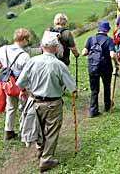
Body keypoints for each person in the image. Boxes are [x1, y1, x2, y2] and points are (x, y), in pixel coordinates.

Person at [17, 32, 77, 173]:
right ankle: (46, 159)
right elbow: (72, 88)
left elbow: (20, 83)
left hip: (35, 101)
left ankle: (40, 150)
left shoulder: (32, 61)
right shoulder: (59, 65)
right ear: (56, 47)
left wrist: (25, 90)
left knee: (38, 127)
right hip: (53, 103)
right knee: (51, 131)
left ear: (41, 46)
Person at [0, 28, 31, 140]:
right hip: (20, 85)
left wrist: (0, 66)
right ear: (24, 39)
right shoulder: (24, 55)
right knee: (26, 107)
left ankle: (8, 131)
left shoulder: (4, 49)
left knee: (11, 107)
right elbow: (26, 74)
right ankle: (26, 130)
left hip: (7, 83)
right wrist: (24, 90)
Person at [82, 21, 119, 117]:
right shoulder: (109, 40)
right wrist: (116, 64)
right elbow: (112, 55)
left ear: (98, 29)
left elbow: (84, 52)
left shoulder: (91, 39)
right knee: (106, 86)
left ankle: (93, 110)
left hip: (93, 67)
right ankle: (107, 106)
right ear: (107, 30)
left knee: (94, 89)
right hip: (106, 67)